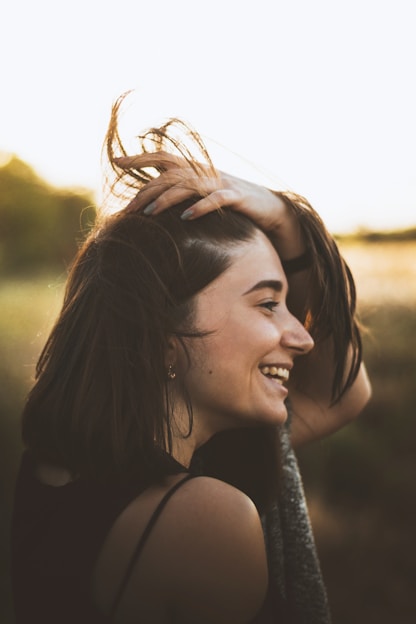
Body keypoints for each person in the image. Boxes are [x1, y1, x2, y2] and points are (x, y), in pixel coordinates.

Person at [11, 93, 371, 624]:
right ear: (161, 334)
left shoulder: (64, 463)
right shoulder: (206, 521)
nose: (303, 337)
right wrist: (287, 218)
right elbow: (344, 392)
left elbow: (341, 392)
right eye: (269, 304)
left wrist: (286, 222)